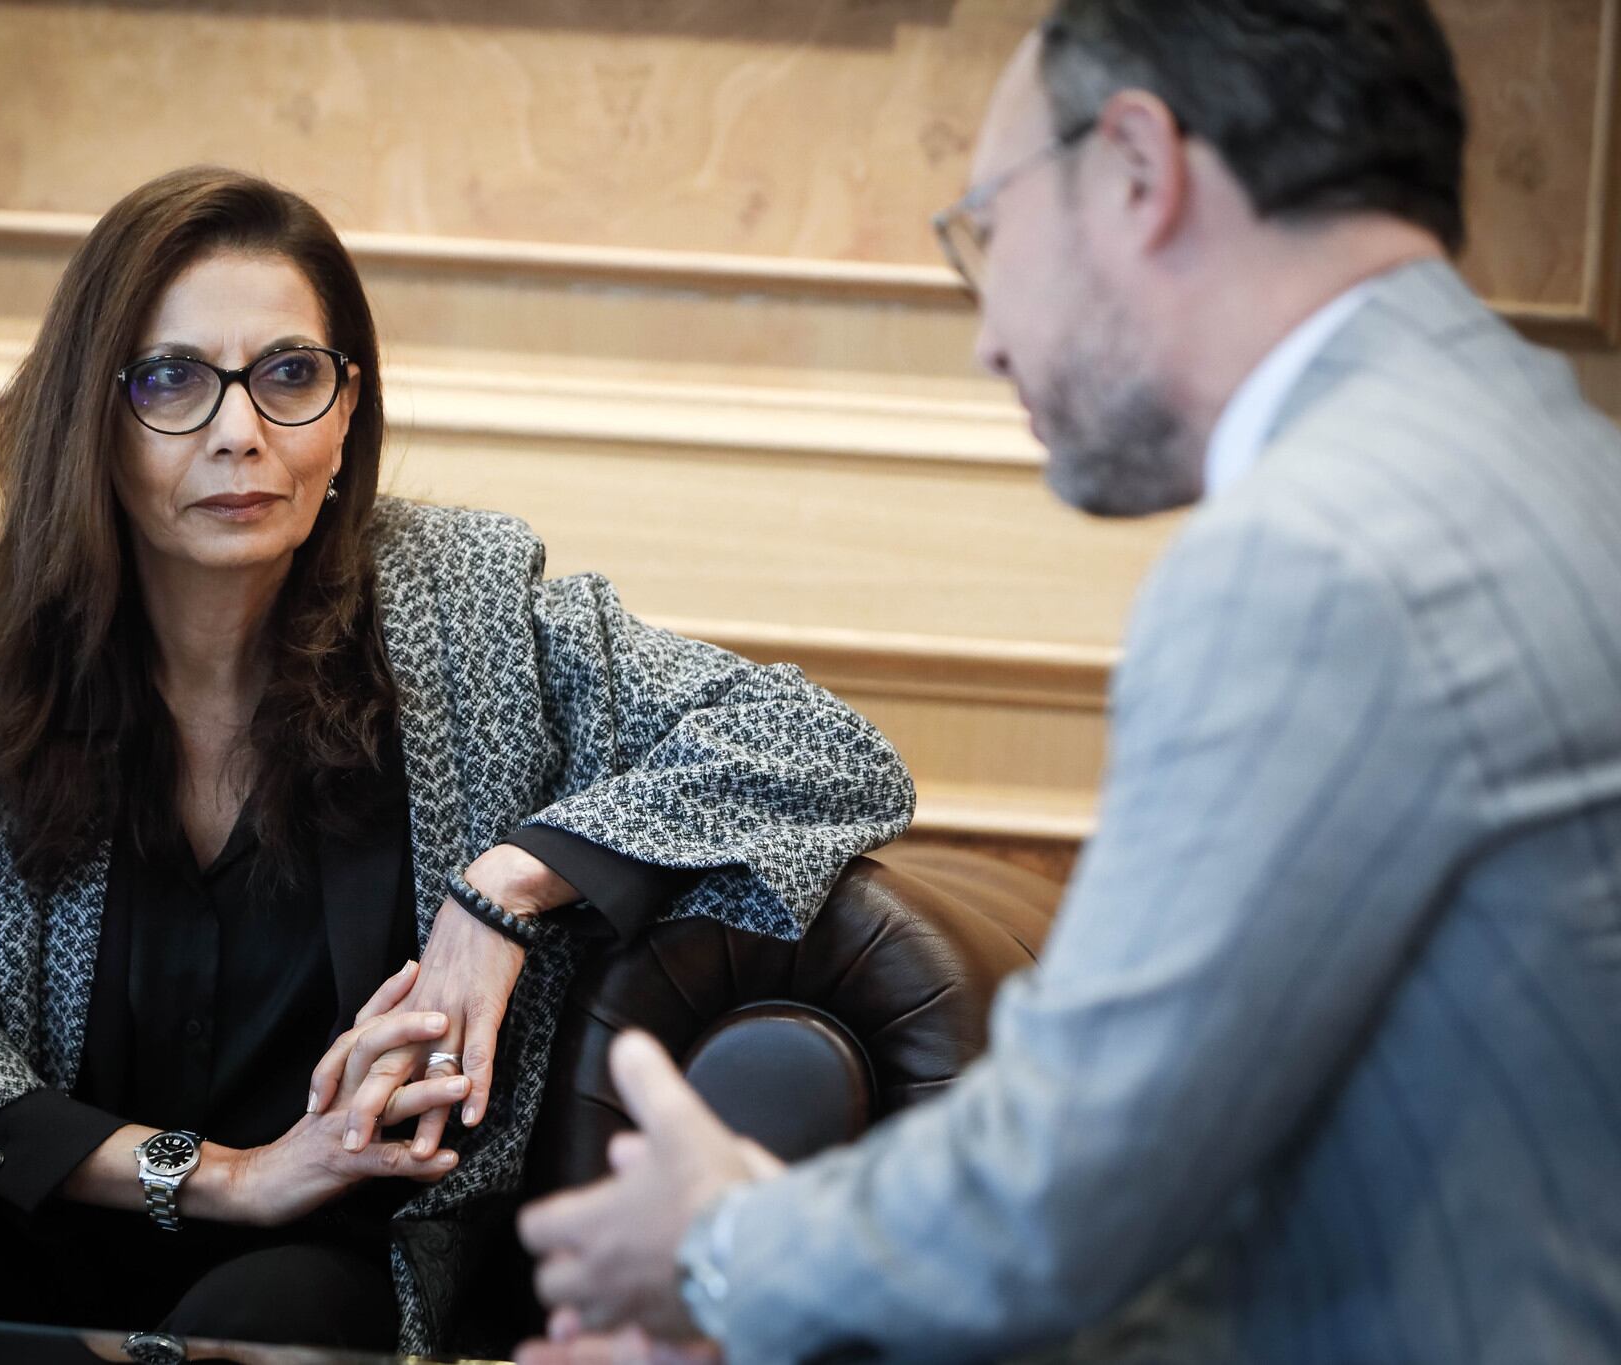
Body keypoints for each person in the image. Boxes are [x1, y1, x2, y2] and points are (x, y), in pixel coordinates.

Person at [517, 2, 1621, 1361]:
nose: (987, 339)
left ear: (1141, 171)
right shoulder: (1568, 462)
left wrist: (717, 1248)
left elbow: (1064, 1197)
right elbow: (1246, 1174)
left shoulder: (1316, 556)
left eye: (988, 227)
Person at [0, 165, 916, 1357]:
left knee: (273, 1324)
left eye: (289, 375)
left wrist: (503, 888)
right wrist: (229, 1176)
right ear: (93, 414)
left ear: (346, 413)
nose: (240, 432)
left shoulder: (464, 609)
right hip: (39, 1219)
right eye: (173, 380)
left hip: (320, 1262)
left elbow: (826, 749)